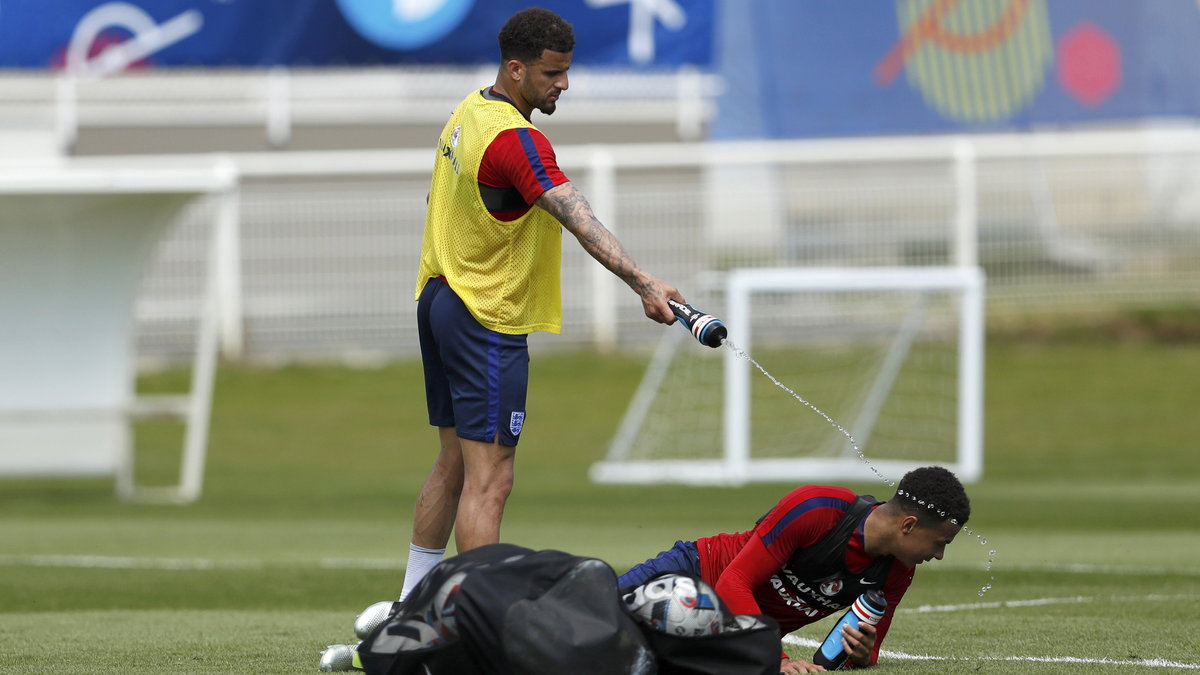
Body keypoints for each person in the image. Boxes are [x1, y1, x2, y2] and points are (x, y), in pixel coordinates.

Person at [399, 7, 683, 605]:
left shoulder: (468, 112)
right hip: (485, 315)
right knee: (491, 481)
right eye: (553, 74)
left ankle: (411, 610)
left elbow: (438, 196)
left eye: (567, 71)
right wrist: (643, 283)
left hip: (441, 296)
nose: (564, 85)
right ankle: (472, 626)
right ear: (516, 68)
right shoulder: (517, 141)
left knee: (452, 465)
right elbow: (573, 212)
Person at [616, 466, 971, 673]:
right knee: (588, 613)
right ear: (908, 525)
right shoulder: (818, 508)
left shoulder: (896, 573)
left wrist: (861, 654)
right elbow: (733, 581)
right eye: (940, 542)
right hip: (692, 573)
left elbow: (868, 652)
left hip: (727, 636)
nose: (938, 555)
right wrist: (776, 659)